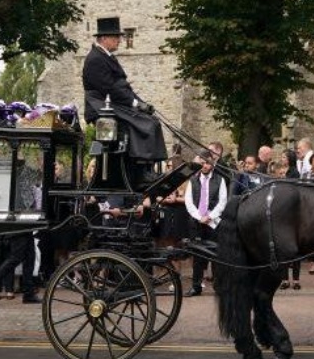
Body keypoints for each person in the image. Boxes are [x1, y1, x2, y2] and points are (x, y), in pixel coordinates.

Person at [81, 16, 166, 170]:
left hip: (113, 103)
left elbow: (124, 87)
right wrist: (134, 103)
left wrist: (143, 104)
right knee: (146, 124)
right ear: (104, 38)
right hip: (100, 106)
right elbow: (110, 88)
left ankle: (147, 167)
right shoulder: (95, 59)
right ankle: (140, 169)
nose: (119, 41)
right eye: (116, 37)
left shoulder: (106, 57)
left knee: (151, 120)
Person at [183, 151, 228, 296]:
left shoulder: (220, 180)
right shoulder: (193, 180)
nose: (204, 165)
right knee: (197, 256)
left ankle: (218, 286)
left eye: (207, 163)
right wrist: (199, 217)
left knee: (215, 255)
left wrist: (210, 216)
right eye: (202, 163)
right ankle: (196, 286)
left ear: (212, 164)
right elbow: (189, 202)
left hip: (213, 223)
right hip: (197, 223)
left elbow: (222, 202)